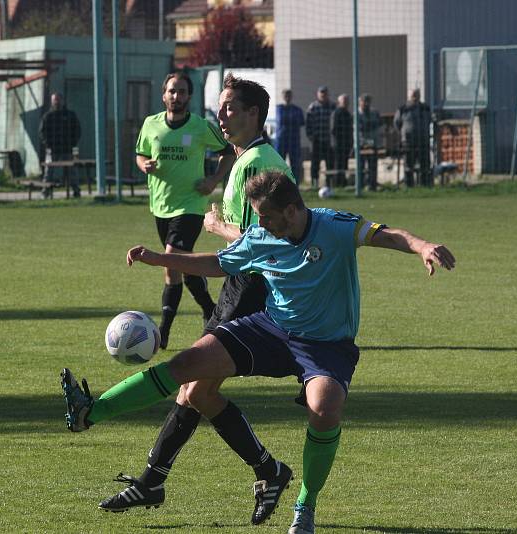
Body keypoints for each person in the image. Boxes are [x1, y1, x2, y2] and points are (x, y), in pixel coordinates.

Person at [62, 170, 456, 533]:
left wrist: (422, 246)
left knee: (325, 409)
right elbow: (219, 263)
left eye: (265, 217)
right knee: (186, 366)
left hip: (325, 345)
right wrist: (158, 258)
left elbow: (386, 235)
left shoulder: (334, 225)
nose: (259, 225)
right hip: (271, 329)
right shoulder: (262, 234)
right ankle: (89, 413)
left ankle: (305, 506)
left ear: (291, 210)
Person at [98, 73, 296, 526]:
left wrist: (218, 227)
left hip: (250, 291)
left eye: (229, 108)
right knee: (196, 390)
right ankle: (256, 472)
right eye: (220, 107)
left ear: (252, 114)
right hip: (239, 287)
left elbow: (266, 241)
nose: (221, 115)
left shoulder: (261, 163)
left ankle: (257, 472)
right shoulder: (247, 158)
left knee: (195, 387)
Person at [134, 71, 234, 349]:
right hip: (160, 205)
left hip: (190, 205)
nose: (176, 96)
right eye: (171, 91)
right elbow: (140, 153)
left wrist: (213, 179)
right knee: (183, 265)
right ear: (163, 95)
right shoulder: (151, 124)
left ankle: (163, 332)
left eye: (181, 92)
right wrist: (144, 165)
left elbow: (228, 151)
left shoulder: (201, 126)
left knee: (170, 260)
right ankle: (210, 309)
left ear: (189, 96)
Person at [39, 93, 82, 197]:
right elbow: (42, 132)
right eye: (54, 100)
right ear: (52, 101)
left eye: (58, 99)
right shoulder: (48, 116)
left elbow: (77, 130)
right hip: (52, 149)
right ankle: (45, 192)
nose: (56, 102)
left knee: (73, 170)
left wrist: (73, 143)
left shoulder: (70, 115)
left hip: (68, 148)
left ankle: (76, 191)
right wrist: (47, 144)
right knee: (48, 170)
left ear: (62, 101)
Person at [394, 88, 432, 187]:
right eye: (413, 95)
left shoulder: (425, 108)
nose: (415, 97)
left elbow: (430, 120)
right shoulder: (402, 109)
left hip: (423, 140)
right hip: (408, 142)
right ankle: (409, 185)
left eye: (417, 95)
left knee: (425, 165)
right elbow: (397, 123)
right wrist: (405, 132)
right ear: (409, 96)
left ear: (420, 96)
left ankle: (425, 185)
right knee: (408, 165)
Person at [305, 86, 335, 189]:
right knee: (315, 164)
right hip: (316, 141)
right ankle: (315, 184)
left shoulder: (332, 106)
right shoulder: (312, 107)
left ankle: (329, 184)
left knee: (330, 163)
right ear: (318, 94)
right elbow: (308, 124)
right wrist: (310, 137)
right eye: (321, 93)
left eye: (325, 93)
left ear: (327, 94)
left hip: (329, 140)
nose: (323, 95)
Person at [275, 89, 305, 182]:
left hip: (294, 140)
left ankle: (295, 184)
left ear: (291, 97)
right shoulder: (278, 109)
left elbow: (302, 122)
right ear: (282, 96)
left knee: (295, 164)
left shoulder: (297, 110)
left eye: (289, 95)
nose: (287, 97)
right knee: (279, 163)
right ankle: (278, 183)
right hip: (281, 140)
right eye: (285, 95)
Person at [357, 93, 382, 191]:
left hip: (373, 142)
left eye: (367, 101)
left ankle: (372, 185)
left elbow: (379, 123)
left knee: (372, 166)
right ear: (360, 102)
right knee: (361, 167)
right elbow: (360, 128)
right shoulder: (357, 114)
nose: (366, 104)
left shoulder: (374, 113)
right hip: (361, 144)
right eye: (364, 101)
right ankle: (360, 186)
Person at [330, 94, 353, 188]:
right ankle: (337, 183)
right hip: (338, 144)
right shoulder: (336, 113)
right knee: (338, 163)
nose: (346, 102)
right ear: (339, 102)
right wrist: (339, 140)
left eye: (347, 101)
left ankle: (343, 183)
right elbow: (333, 129)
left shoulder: (348, 113)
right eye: (344, 101)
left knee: (344, 163)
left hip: (346, 144)